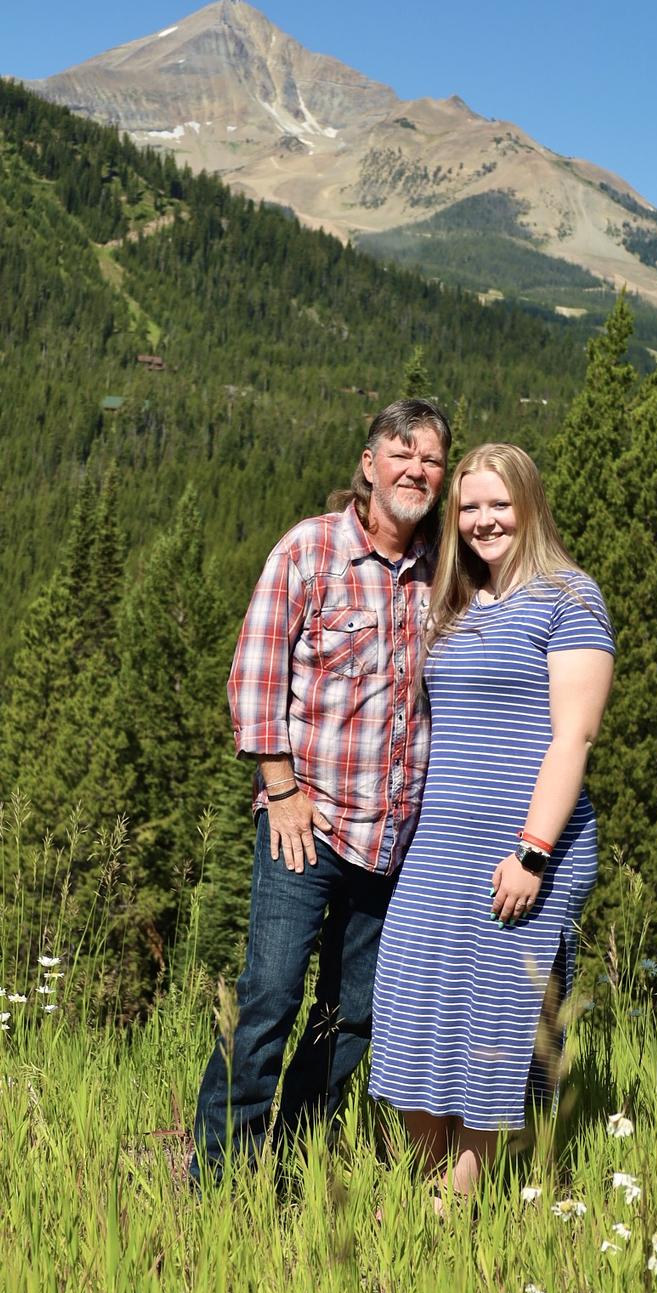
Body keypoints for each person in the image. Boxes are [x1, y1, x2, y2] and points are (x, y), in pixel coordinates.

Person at [191, 398, 451, 1186]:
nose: (416, 469)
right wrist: (280, 788)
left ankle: (293, 1158)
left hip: (395, 839)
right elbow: (255, 674)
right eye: (402, 452)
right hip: (305, 825)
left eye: (431, 459)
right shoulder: (309, 550)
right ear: (369, 463)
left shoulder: (443, 569)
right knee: (269, 996)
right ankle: (220, 1175)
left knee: (350, 1015)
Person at [368, 442, 615, 1196]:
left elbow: (574, 737)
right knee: (414, 1006)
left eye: (499, 504)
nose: (484, 521)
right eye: (469, 506)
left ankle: (458, 1200)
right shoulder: (458, 602)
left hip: (525, 847)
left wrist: (533, 852)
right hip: (440, 846)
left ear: (529, 505)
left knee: (495, 1019)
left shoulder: (570, 597)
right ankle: (424, 1182)